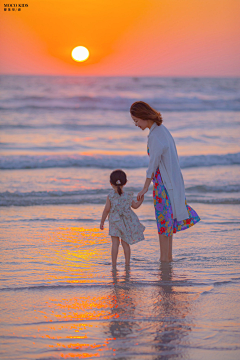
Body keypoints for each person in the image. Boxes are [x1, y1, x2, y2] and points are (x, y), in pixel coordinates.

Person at [130, 101, 200, 262]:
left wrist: (144, 188)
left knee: (164, 225)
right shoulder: (162, 130)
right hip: (169, 184)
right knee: (167, 225)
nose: (136, 125)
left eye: (136, 121)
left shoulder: (155, 136)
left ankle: (164, 262)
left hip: (163, 187)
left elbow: (153, 165)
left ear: (143, 116)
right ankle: (167, 259)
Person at [100, 169, 145, 266]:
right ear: (125, 183)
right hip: (125, 223)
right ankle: (127, 264)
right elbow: (135, 206)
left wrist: (102, 221)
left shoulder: (110, 196)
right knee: (125, 244)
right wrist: (141, 200)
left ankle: (114, 264)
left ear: (110, 183)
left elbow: (106, 209)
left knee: (115, 243)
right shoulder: (128, 196)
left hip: (114, 222)